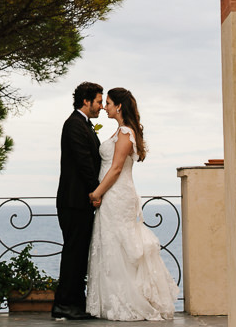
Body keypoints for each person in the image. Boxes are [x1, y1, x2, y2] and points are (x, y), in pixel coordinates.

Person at [86, 87, 179, 321]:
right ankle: (112, 300)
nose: (104, 107)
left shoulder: (126, 133)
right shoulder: (120, 131)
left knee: (120, 246)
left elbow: (116, 168)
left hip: (117, 195)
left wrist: (97, 192)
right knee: (110, 244)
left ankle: (128, 301)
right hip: (112, 195)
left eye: (107, 103)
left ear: (118, 106)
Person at [52, 81, 104, 320]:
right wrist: (96, 192)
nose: (101, 107)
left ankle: (74, 302)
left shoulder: (83, 125)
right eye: (99, 101)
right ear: (86, 100)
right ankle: (64, 305)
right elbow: (84, 163)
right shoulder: (74, 125)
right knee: (74, 253)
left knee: (78, 252)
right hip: (74, 200)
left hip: (78, 200)